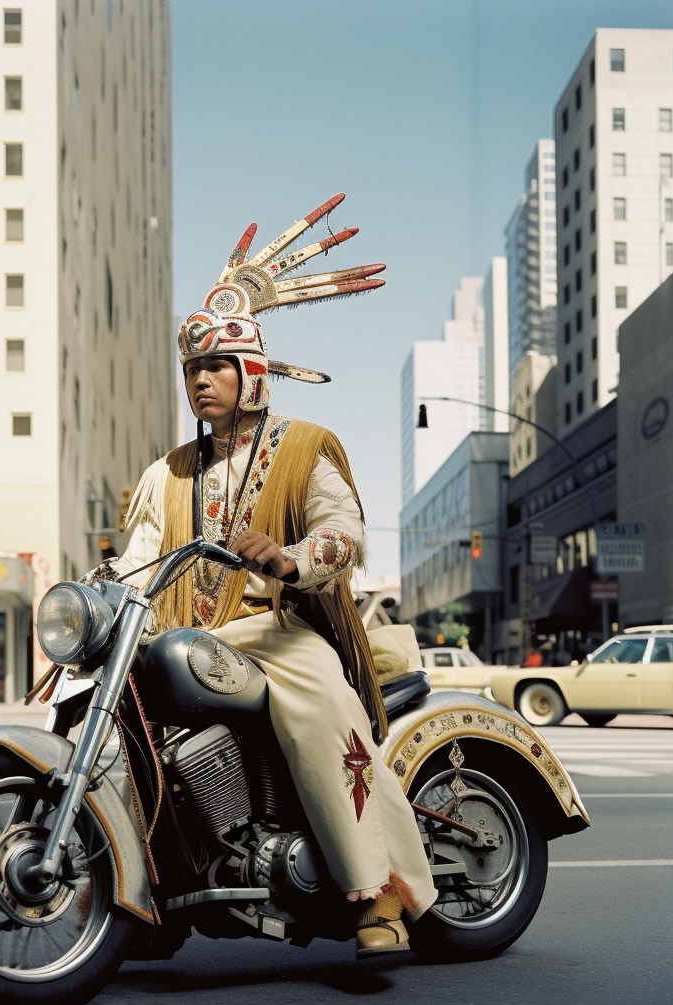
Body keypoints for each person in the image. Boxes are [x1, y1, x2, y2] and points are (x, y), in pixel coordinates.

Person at [94, 195, 437, 957]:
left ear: (251, 371)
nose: (200, 381)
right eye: (192, 369)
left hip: (279, 632)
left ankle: (375, 894)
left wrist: (291, 558)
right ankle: (149, 889)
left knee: (321, 714)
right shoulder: (169, 471)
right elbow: (139, 554)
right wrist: (105, 588)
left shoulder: (305, 444)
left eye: (215, 365)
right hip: (191, 640)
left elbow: (344, 532)